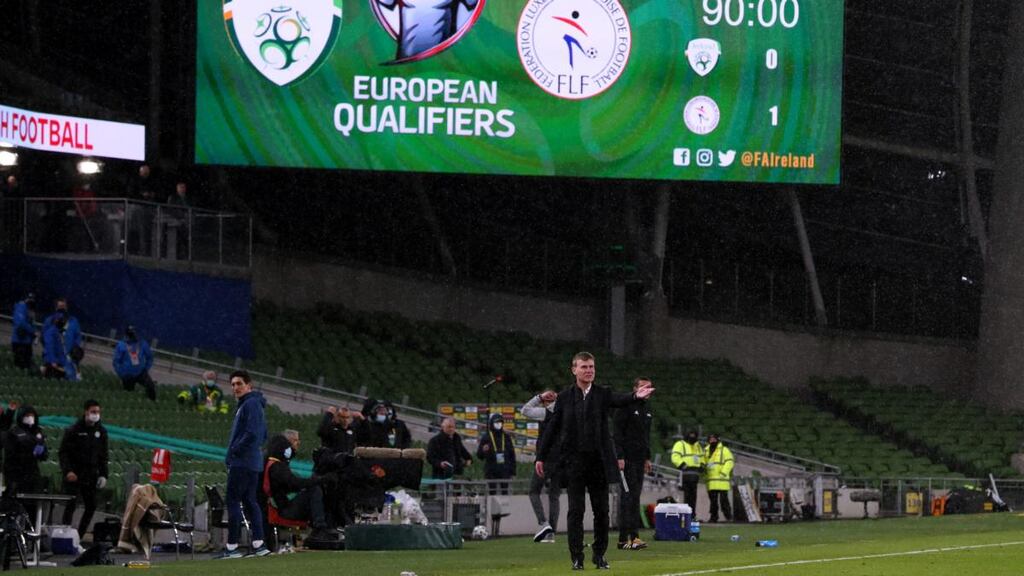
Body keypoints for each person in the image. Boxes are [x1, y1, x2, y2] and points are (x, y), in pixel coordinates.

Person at [536, 352, 655, 571]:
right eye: (584, 367)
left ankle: (599, 555)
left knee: (601, 512)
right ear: (574, 370)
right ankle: (576, 557)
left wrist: (635, 395)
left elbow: (619, 399)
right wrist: (540, 456)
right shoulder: (564, 397)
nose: (589, 370)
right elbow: (552, 428)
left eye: (591, 367)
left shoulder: (603, 393)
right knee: (575, 512)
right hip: (574, 463)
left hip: (599, 463)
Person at [215, 370, 270, 559]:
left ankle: (232, 547)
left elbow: (253, 434)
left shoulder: (250, 404)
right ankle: (259, 544)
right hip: (252, 462)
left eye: (239, 383)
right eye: (232, 384)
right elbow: (263, 435)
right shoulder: (254, 405)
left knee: (233, 501)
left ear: (249, 385)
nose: (235, 388)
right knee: (249, 501)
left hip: (243, 462)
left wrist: (234, 451)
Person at [262, 433, 336, 541]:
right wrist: (319, 479)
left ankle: (320, 526)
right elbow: (295, 483)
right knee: (314, 490)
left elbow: (291, 485)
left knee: (313, 491)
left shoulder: (273, 464)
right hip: (284, 510)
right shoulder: (277, 467)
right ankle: (319, 528)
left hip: (282, 507)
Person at [613, 378, 654, 551]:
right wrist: (619, 456)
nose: (646, 390)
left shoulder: (647, 411)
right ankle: (628, 538)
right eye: (643, 387)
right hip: (627, 459)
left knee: (635, 497)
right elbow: (617, 432)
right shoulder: (626, 407)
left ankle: (629, 538)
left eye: (648, 387)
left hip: (639, 459)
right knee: (628, 497)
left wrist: (647, 457)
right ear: (635, 389)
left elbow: (646, 437)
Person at [59, 400, 109, 539]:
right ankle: (65, 535)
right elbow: (63, 453)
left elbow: (103, 455)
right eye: (93, 412)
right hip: (75, 474)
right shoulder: (74, 430)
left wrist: (104, 474)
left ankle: (79, 536)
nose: (96, 415)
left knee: (91, 505)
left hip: (91, 475)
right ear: (86, 412)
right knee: (71, 505)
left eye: (98, 412)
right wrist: (68, 471)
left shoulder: (101, 431)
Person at [522, 389, 560, 543]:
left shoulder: (546, 413)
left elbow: (525, 410)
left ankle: (544, 523)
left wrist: (538, 397)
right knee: (554, 497)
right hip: (561, 460)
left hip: (545, 459)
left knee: (533, 491)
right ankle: (552, 532)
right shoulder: (564, 412)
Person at [4, 405, 47, 517]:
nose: (30, 418)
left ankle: (32, 530)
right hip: (17, 475)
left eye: (32, 415)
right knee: (17, 506)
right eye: (27, 415)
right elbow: (10, 455)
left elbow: (43, 455)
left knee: (33, 506)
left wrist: (41, 451)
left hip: (33, 474)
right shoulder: (14, 432)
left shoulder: (38, 432)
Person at [112, 326, 156, 401]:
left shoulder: (142, 344)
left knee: (151, 387)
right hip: (127, 375)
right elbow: (116, 361)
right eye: (130, 334)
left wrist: (145, 368)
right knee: (129, 395)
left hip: (140, 373)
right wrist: (121, 373)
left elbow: (150, 357)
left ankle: (152, 403)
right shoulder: (122, 345)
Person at [477, 412, 516, 495]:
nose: (498, 424)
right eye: (496, 423)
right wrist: (483, 450)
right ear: (492, 423)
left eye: (500, 422)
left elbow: (512, 455)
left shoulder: (506, 437)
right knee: (492, 492)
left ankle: (505, 507)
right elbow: (479, 455)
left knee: (505, 492)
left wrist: (512, 471)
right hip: (491, 470)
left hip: (505, 470)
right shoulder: (486, 437)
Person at [44, 298, 83, 376]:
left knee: (72, 379)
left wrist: (75, 350)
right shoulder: (49, 321)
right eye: (60, 306)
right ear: (56, 308)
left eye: (64, 306)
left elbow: (78, 337)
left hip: (69, 359)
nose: (62, 309)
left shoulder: (74, 321)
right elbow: (45, 339)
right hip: (53, 359)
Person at [670, 429, 704, 513]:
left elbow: (702, 457)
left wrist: (702, 464)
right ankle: (686, 514)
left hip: (695, 476)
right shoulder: (680, 444)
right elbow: (675, 456)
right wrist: (682, 465)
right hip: (684, 475)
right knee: (686, 496)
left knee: (693, 497)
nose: (692, 437)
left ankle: (692, 514)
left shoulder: (698, 446)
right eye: (691, 435)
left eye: (694, 435)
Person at [703, 433, 734, 522]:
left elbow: (730, 462)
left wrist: (724, 472)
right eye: (710, 439)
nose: (712, 440)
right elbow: (703, 463)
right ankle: (714, 517)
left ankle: (728, 517)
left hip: (722, 480)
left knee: (724, 501)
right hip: (711, 480)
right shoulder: (705, 450)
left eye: (714, 439)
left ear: (718, 439)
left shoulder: (724, 450)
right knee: (713, 502)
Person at [41, 313, 75, 380]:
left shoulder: (57, 332)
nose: (63, 322)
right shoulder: (51, 332)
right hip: (53, 363)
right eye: (61, 320)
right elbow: (49, 347)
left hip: (59, 362)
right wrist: (53, 361)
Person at [10, 293, 37, 372]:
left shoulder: (30, 309)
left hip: (27, 342)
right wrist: (32, 331)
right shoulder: (21, 306)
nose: (31, 300)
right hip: (20, 341)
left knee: (27, 366)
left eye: (32, 298)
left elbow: (32, 323)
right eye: (29, 298)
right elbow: (21, 323)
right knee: (21, 366)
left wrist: (34, 332)